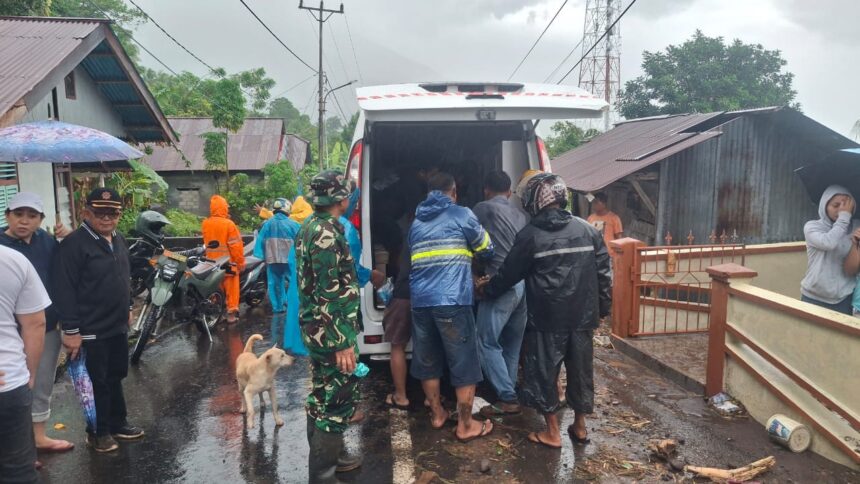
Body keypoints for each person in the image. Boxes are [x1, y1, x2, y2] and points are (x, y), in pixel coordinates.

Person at [479, 173, 611, 449]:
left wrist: (486, 290)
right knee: (581, 371)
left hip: (548, 318)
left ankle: (552, 432)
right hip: (583, 317)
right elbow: (603, 274)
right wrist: (603, 309)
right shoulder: (587, 230)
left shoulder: (530, 235)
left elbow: (508, 275)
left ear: (533, 201)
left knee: (545, 373)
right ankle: (580, 426)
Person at [52, 188, 144, 453]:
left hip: (116, 325)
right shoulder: (74, 245)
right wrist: (70, 331)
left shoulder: (119, 239)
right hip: (89, 328)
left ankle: (118, 422)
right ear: (87, 212)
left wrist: (127, 305)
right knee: (96, 382)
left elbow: (123, 277)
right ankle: (97, 432)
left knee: (116, 375)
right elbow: (64, 290)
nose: (107, 218)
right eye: (100, 213)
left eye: (112, 213)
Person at [408, 172, 495, 443]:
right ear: (454, 191)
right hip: (453, 299)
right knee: (463, 362)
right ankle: (466, 425)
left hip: (421, 302)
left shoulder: (416, 222)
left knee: (428, 360)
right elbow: (486, 247)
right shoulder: (461, 214)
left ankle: (437, 415)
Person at [296, 171, 362, 483]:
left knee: (322, 393)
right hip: (330, 333)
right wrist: (343, 342)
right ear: (341, 198)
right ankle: (322, 475)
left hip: (317, 329)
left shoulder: (311, 225)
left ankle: (334, 457)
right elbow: (329, 292)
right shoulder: (325, 234)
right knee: (336, 400)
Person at [1, 193, 74, 456]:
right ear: (7, 215)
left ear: (41, 219)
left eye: (32, 216)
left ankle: (38, 437)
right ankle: (15, 450)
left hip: (45, 328)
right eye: (18, 215)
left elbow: (63, 277)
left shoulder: (47, 241)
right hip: (8, 332)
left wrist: (68, 237)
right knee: (9, 389)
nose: (24, 221)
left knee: (40, 383)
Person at [471, 171, 528, 417]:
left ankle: (507, 396)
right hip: (522, 285)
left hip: (499, 283)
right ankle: (509, 387)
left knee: (485, 340)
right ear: (509, 191)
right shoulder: (521, 214)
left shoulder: (482, 208)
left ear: (486, 190)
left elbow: (470, 239)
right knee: (511, 342)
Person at [0, 244, 49, 483]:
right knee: (17, 472)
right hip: (8, 380)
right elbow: (35, 324)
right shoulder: (13, 260)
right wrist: (29, 373)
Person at [801, 185, 856, 314]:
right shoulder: (812, 227)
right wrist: (844, 217)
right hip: (812, 296)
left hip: (842, 298)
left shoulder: (856, 227)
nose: (841, 210)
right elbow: (828, 243)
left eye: (846, 206)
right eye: (836, 206)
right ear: (824, 205)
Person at [202, 195, 246, 324]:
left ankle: (216, 312)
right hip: (228, 264)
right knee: (232, 291)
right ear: (223, 208)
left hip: (211, 264)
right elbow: (236, 246)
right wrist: (240, 262)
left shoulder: (206, 223)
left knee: (216, 290)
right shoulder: (229, 224)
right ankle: (231, 315)